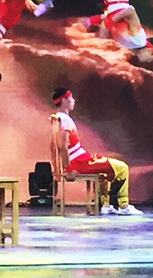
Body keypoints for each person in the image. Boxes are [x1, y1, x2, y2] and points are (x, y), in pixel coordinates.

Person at [52, 88, 142, 216]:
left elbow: (56, 147)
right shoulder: (65, 120)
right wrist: (68, 169)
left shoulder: (57, 119)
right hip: (80, 162)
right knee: (122, 168)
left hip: (81, 159)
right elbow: (63, 146)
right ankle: (123, 205)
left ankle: (106, 205)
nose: (74, 100)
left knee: (107, 171)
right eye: (71, 98)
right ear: (64, 100)